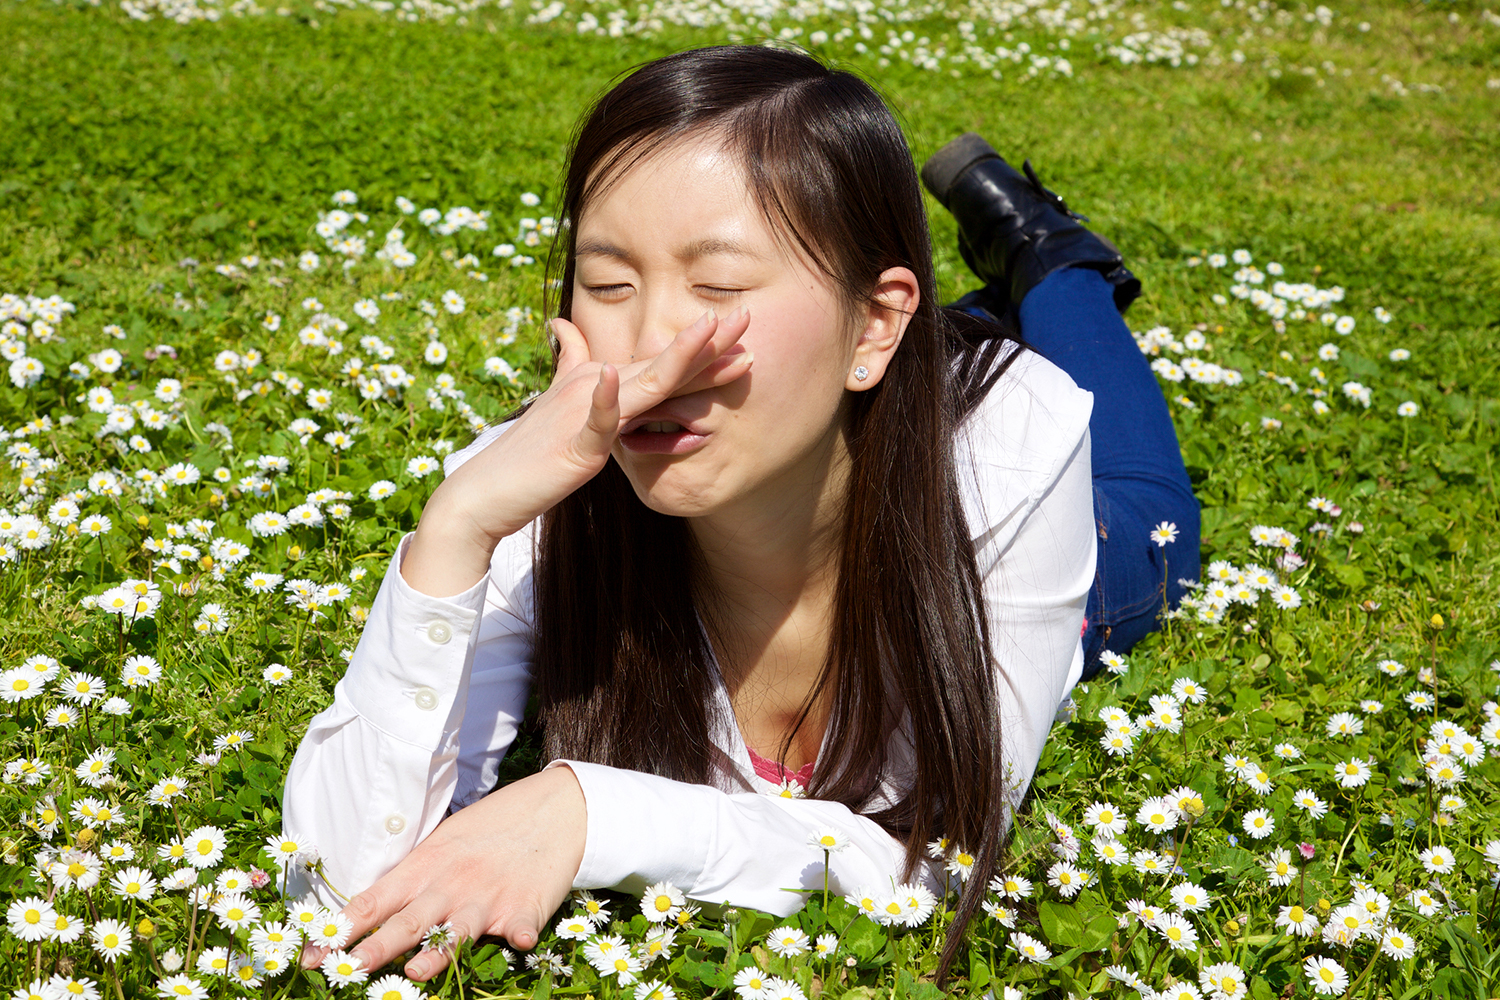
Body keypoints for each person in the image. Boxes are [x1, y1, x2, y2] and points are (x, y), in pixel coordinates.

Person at [282, 44, 1199, 985]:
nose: (649, 346)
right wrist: (458, 526)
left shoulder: (1010, 445)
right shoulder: (539, 498)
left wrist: (588, 812)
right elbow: (337, 892)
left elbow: (942, 853)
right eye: (608, 284)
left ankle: (1052, 260)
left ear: (874, 324)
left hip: (1054, 551)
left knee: (1156, 512)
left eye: (717, 288)